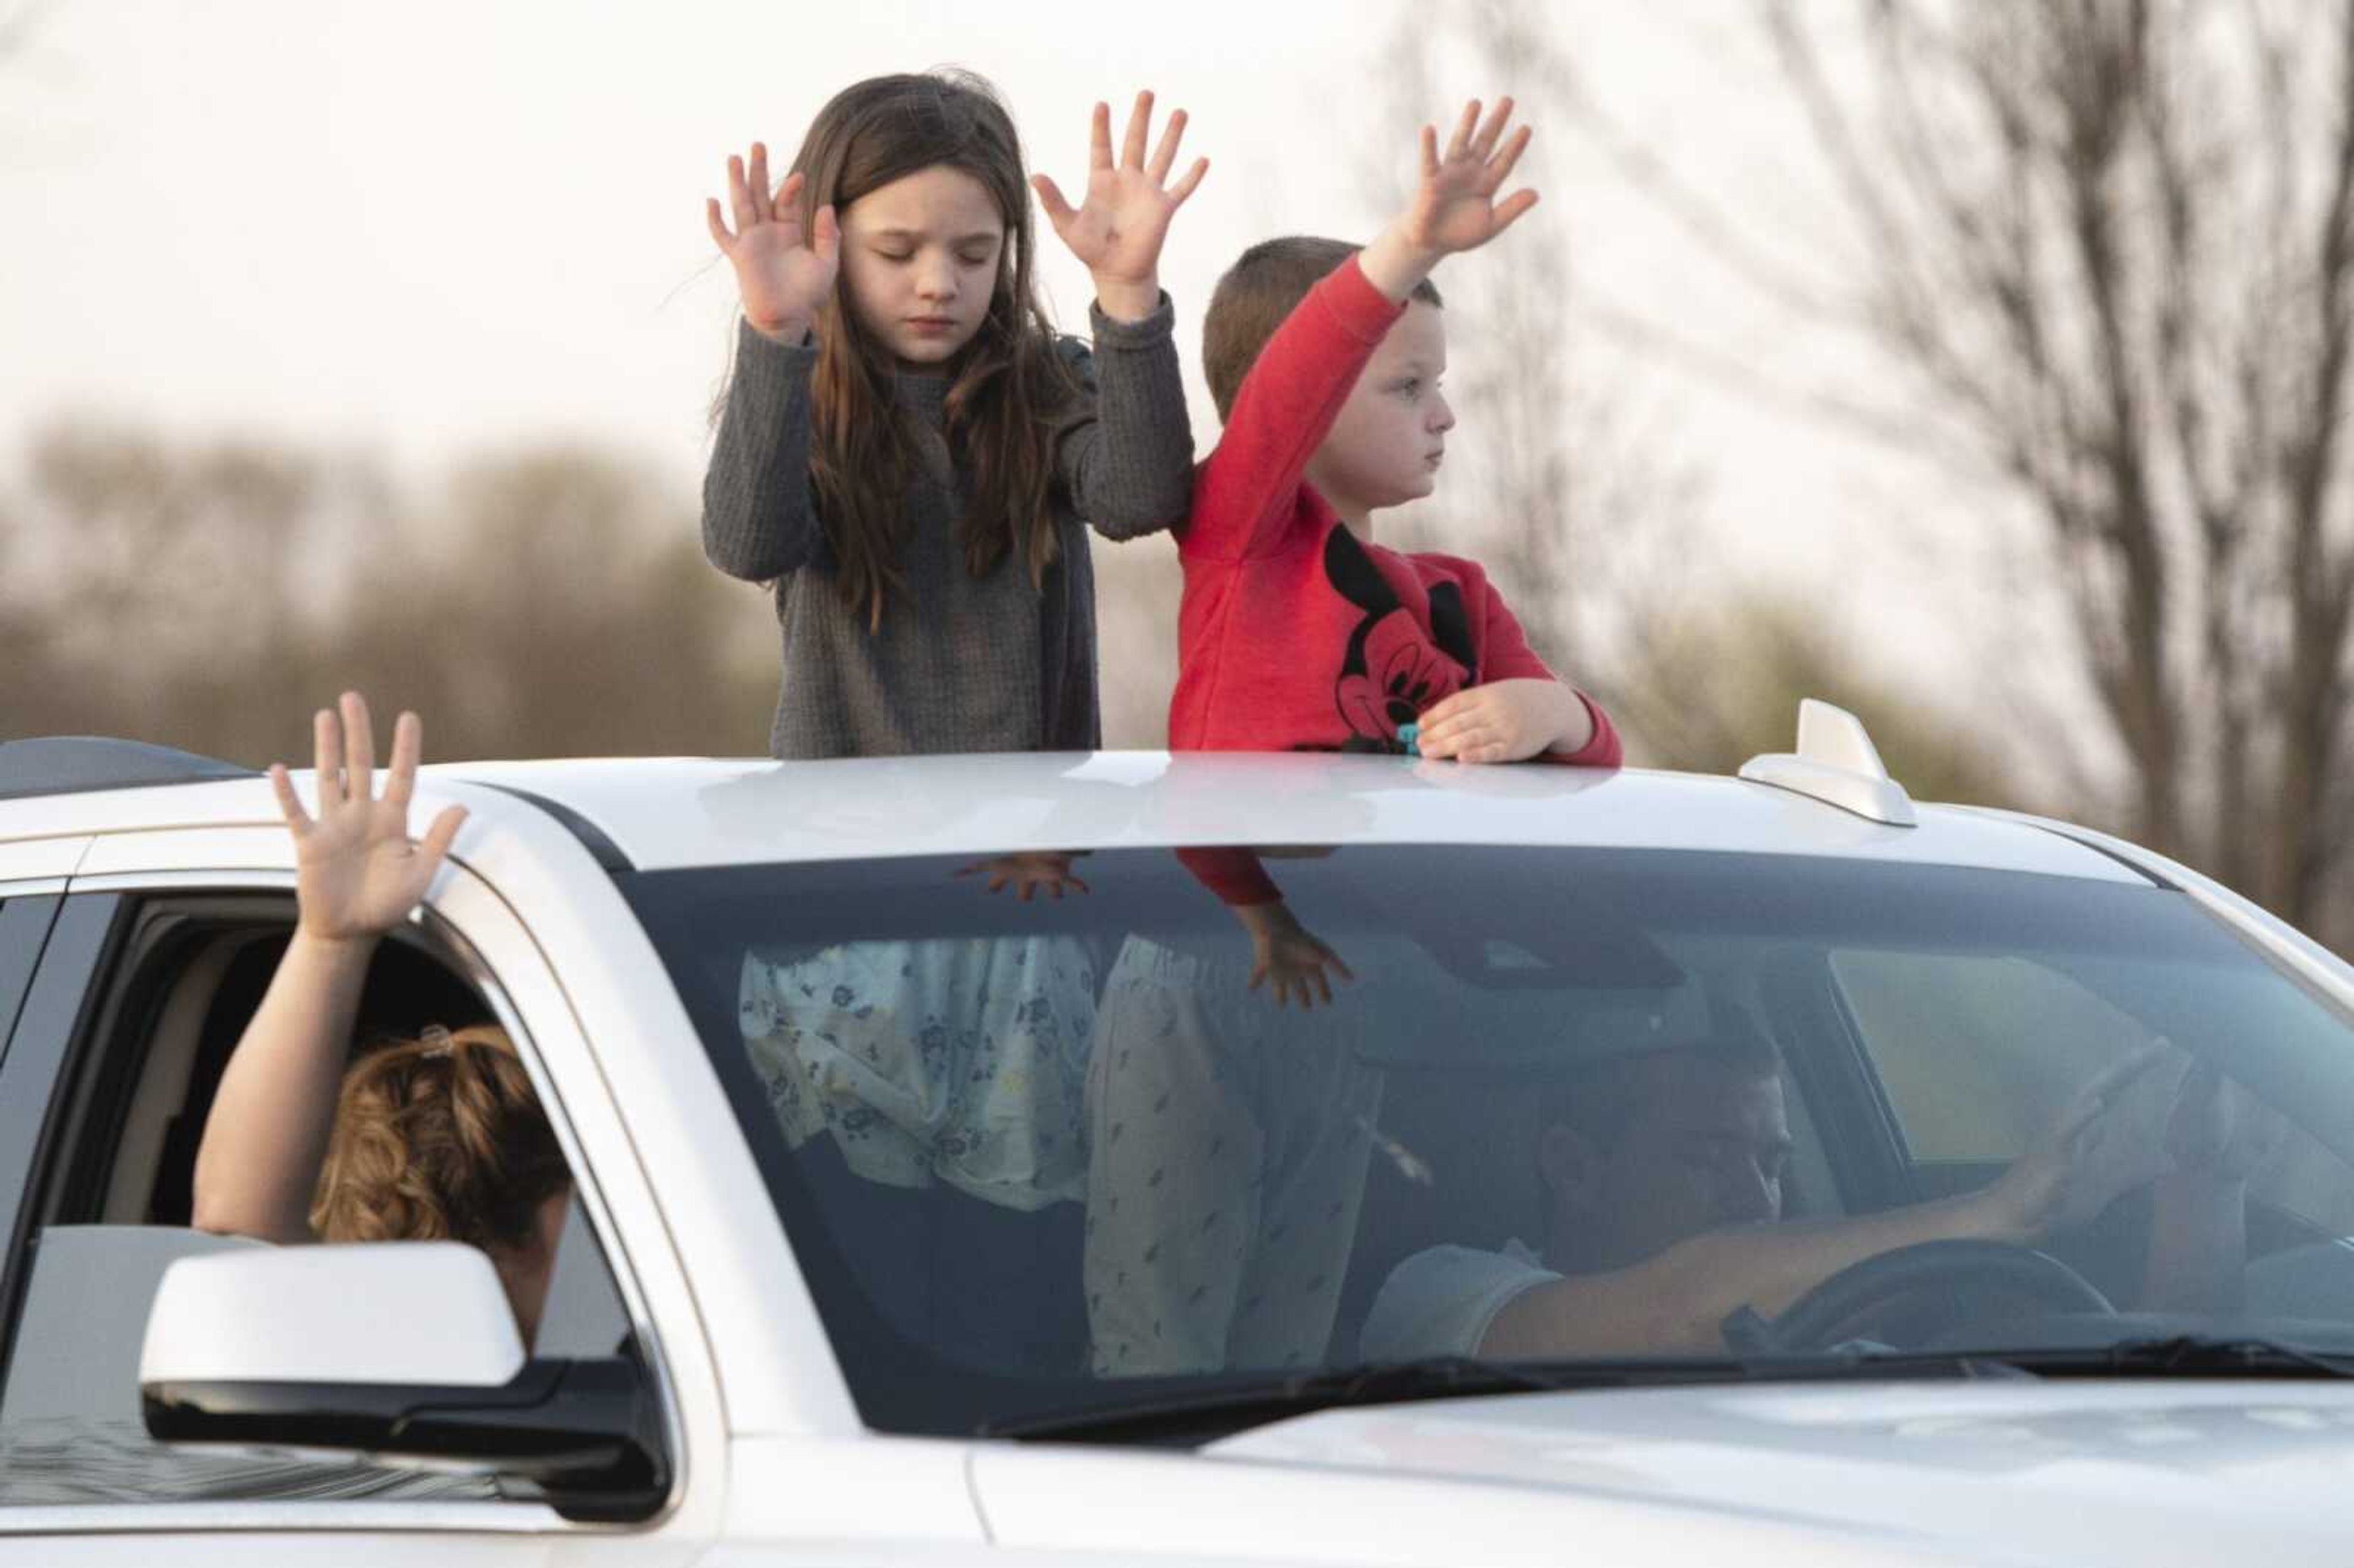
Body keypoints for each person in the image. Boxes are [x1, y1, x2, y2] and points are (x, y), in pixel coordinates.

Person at [1085, 98, 1620, 1377]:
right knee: (1165, 1347)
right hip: (1202, 965)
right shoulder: (1239, 531)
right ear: (1310, 397)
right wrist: (1407, 247)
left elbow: (1597, 766)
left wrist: (1550, 712)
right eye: (1406, 385)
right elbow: (1291, 385)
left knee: (1291, 1339)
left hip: (1356, 982)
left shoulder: (1454, 597)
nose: (1443, 415)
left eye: (1443, 385)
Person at [700, 71, 1202, 760]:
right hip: (846, 848)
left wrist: (1128, 294)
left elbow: (1142, 500)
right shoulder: (798, 395)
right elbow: (748, 545)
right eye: (896, 252)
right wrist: (775, 332)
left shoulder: (1046, 384)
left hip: (1034, 850)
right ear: (829, 242)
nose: (939, 283)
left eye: (974, 253)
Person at [1360, 1033, 2280, 1361]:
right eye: (1708, 1154)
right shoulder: (1443, 1298)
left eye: (1772, 1160)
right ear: (1573, 1164)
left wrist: (2207, 1182)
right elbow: (1687, 1306)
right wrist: (1994, 1214)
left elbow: (2141, 1414)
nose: (1757, 1198)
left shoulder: (1846, 1341)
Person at [191, 693, 573, 1345]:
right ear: (502, 1248)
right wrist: (330, 942)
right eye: (580, 1201)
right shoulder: (363, 1379)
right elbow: (239, 1227)